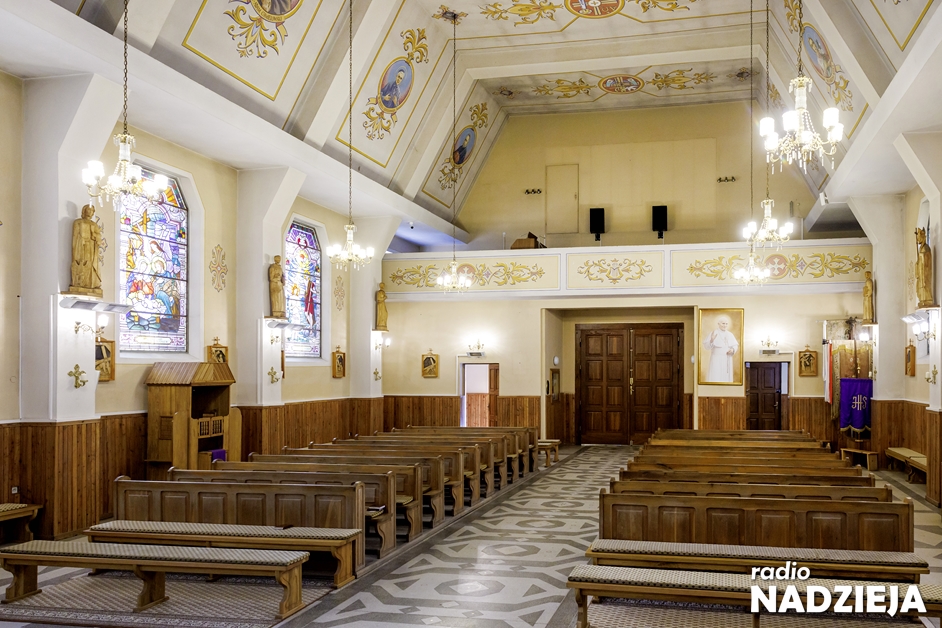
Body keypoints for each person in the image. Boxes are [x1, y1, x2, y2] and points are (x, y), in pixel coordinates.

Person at [70, 204, 102, 296]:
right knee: (81, 264)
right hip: (81, 246)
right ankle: (79, 283)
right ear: (84, 211)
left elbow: (99, 237)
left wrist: (94, 236)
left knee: (90, 265)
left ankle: (91, 284)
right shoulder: (78, 222)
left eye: (92, 211)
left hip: (91, 247)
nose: (90, 212)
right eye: (88, 210)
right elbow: (75, 236)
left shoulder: (94, 224)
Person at [703, 315, 739, 382]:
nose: (725, 325)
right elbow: (706, 346)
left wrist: (732, 350)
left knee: (726, 377)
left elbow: (735, 345)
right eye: (723, 323)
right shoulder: (713, 333)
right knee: (716, 376)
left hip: (727, 359)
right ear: (718, 323)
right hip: (716, 359)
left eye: (726, 324)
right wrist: (711, 341)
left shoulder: (730, 334)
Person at [916, 228, 935, 308]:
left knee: (925, 285)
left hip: (925, 272)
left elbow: (926, 261)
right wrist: (917, 264)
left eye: (919, 238)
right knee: (919, 286)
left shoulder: (926, 248)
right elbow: (920, 261)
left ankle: (927, 300)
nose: (918, 240)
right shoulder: (921, 248)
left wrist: (921, 258)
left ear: (923, 237)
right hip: (921, 272)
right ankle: (922, 299)